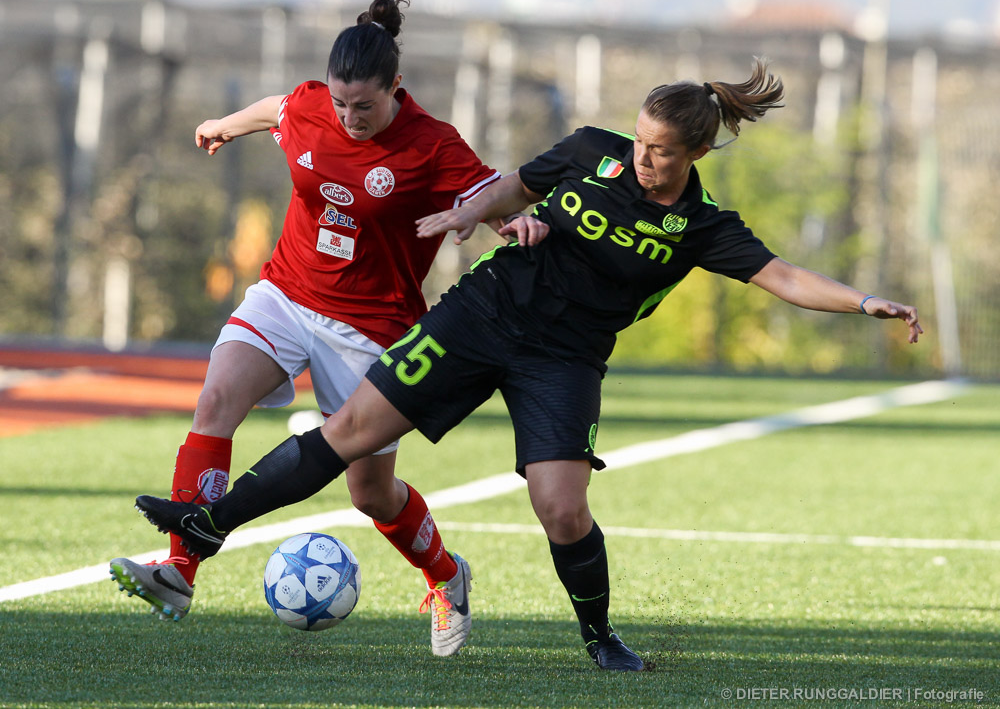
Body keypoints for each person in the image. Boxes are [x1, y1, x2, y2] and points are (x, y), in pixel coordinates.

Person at [132, 58, 922, 671]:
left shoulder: (704, 227)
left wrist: (863, 302)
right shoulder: (589, 151)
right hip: (482, 315)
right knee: (350, 431)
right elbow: (512, 187)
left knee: (561, 508)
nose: (643, 159)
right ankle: (204, 527)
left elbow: (782, 275)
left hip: (564, 359)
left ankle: (601, 636)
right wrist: (475, 215)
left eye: (660, 152)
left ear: (698, 151)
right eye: (640, 142)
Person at [109, 0, 544, 657]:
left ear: (396, 88)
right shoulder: (315, 105)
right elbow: (281, 107)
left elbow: (488, 194)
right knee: (216, 399)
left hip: (372, 330)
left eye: (363, 106)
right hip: (286, 293)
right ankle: (179, 571)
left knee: (371, 493)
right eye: (340, 104)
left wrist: (515, 222)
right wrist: (227, 123)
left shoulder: (431, 145)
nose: (348, 117)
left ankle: (446, 575)